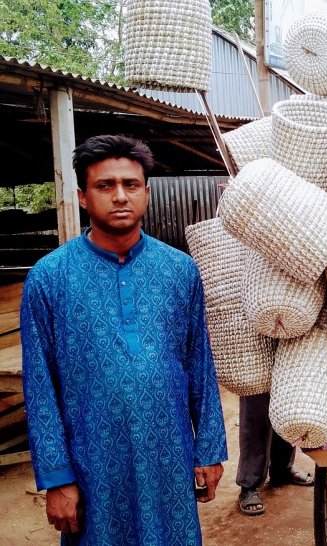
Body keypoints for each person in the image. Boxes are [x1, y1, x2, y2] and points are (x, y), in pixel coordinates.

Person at [20, 135, 228, 545]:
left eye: (131, 185)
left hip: (168, 457)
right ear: (82, 196)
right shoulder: (49, 278)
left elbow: (199, 365)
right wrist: (57, 478)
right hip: (92, 464)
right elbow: (40, 388)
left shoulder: (179, 270)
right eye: (105, 185)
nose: (120, 196)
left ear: (146, 193)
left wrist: (208, 450)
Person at [236, 394, 313, 515]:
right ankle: (249, 483)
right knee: (256, 406)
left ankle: (282, 468)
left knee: (286, 405)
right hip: (255, 377)